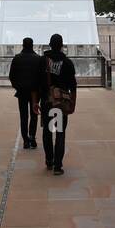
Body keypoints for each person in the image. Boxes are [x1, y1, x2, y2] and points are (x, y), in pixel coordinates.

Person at [41, 33, 77, 175]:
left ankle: (49, 161)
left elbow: (38, 83)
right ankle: (58, 166)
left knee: (48, 131)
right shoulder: (67, 62)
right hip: (61, 103)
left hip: (46, 101)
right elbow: (73, 86)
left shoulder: (43, 61)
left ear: (50, 44)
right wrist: (73, 103)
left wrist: (35, 100)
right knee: (60, 132)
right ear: (62, 45)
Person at [8, 37, 44, 149]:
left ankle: (25, 140)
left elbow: (11, 76)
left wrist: (17, 87)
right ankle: (32, 136)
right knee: (34, 115)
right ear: (32, 45)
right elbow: (41, 77)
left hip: (22, 91)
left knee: (23, 116)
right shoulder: (38, 59)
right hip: (35, 93)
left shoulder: (17, 58)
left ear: (23, 45)